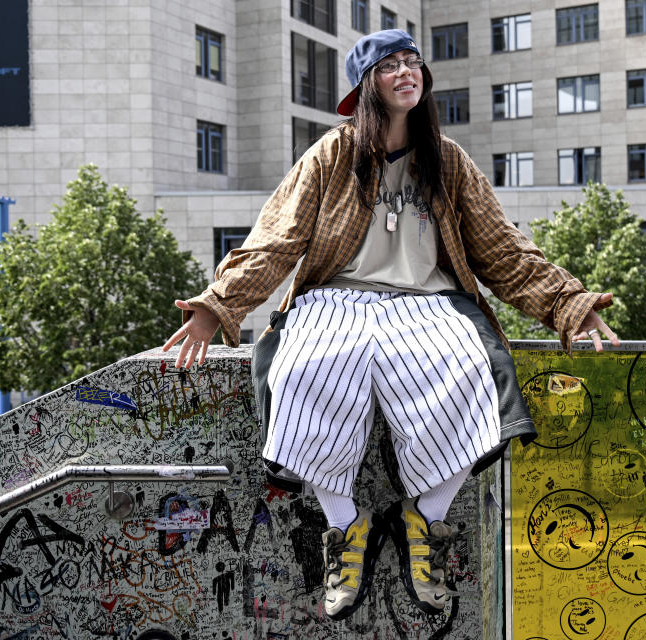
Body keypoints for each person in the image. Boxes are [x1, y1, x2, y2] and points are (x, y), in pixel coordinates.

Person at [163, 29, 620, 620]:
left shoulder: (447, 160)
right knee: (301, 371)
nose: (408, 72)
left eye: (413, 63)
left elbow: (503, 252)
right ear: (366, 85)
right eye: (391, 66)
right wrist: (214, 306)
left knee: (479, 374)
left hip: (428, 301)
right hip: (336, 297)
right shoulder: (331, 155)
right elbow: (276, 242)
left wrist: (568, 302)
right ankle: (344, 527)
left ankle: (423, 523)